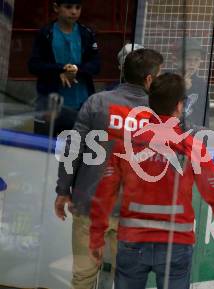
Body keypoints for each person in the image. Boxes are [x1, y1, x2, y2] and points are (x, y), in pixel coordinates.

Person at [88, 72, 214, 289]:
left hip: (132, 240)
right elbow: (213, 187)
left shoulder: (126, 144)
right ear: (180, 106)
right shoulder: (191, 146)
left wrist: (97, 235)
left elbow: (105, 191)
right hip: (176, 243)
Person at [54, 48, 163, 289]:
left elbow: (73, 148)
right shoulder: (159, 113)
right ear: (149, 79)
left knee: (83, 278)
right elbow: (192, 137)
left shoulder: (97, 102)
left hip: (90, 206)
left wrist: (62, 190)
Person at [28, 0, 100, 136]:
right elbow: (34, 65)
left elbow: (96, 65)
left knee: (76, 150)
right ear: (56, 7)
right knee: (44, 149)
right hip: (50, 106)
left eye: (78, 7)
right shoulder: (46, 33)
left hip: (81, 106)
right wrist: (60, 70)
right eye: (68, 7)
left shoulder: (87, 33)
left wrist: (75, 69)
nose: (74, 11)